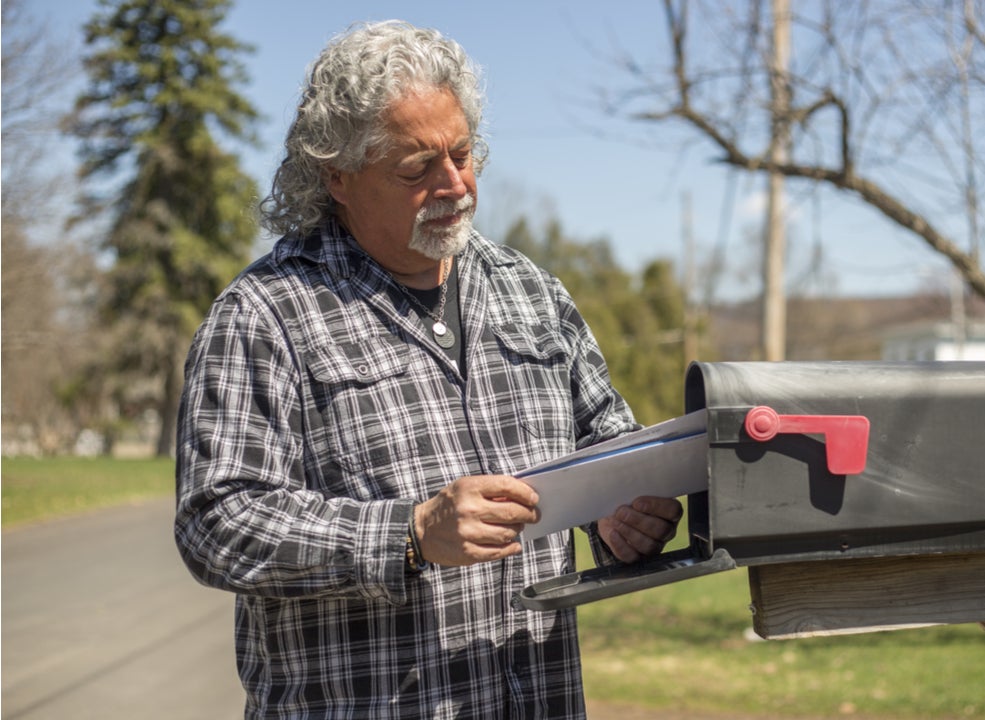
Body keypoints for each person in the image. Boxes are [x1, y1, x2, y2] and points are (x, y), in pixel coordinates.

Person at [174, 20, 683, 719]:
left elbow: (611, 447)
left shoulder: (532, 292)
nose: (455, 185)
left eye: (464, 153)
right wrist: (408, 535)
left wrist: (625, 516)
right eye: (416, 168)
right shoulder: (264, 315)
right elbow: (216, 522)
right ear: (338, 177)